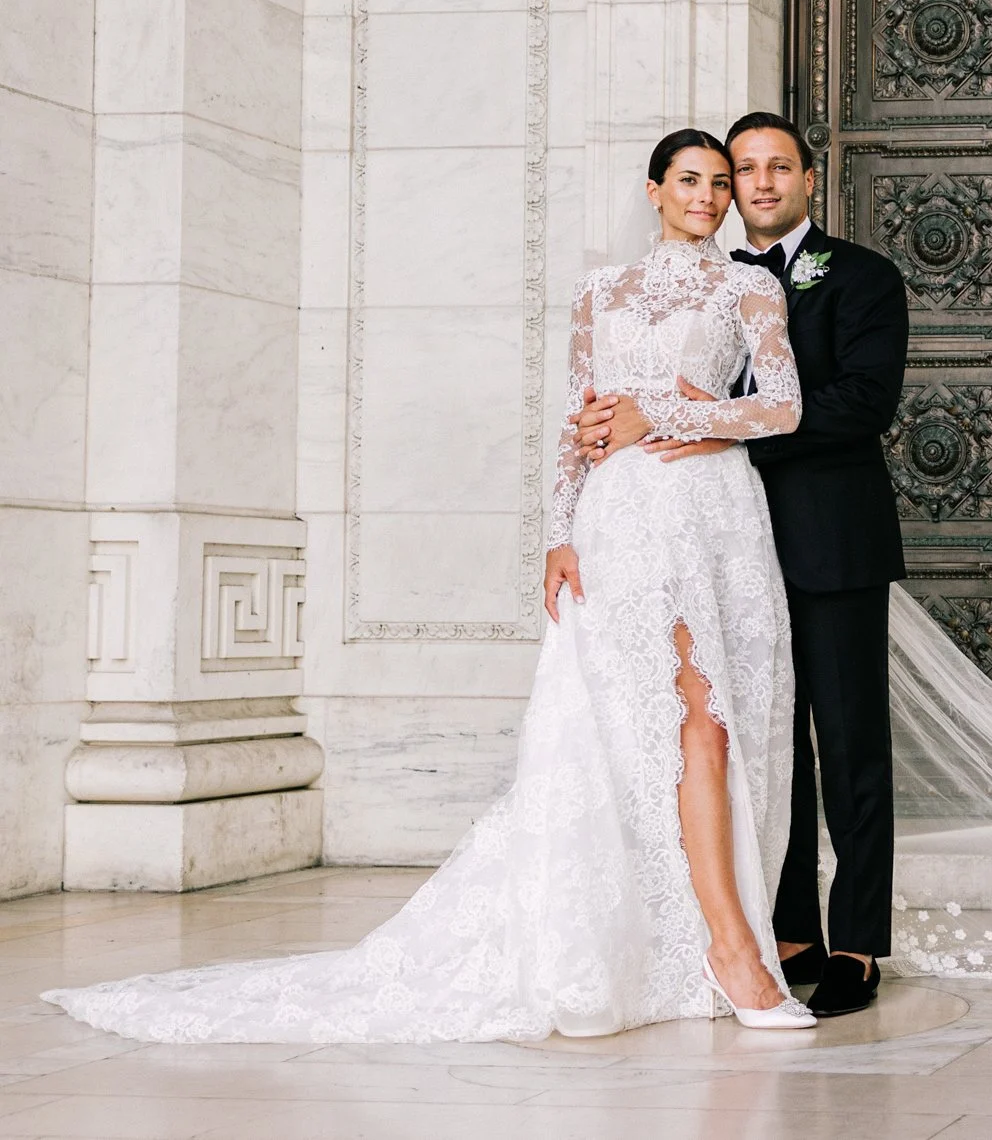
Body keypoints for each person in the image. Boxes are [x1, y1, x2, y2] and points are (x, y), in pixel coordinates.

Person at [44, 131, 818, 1042]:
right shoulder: (597, 293)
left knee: (711, 721)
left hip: (710, 512)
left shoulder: (748, 286)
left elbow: (782, 405)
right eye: (690, 181)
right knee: (631, 728)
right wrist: (560, 536)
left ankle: (727, 947)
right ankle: (690, 944)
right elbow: (578, 426)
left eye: (721, 184)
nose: (708, 196)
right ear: (653, 190)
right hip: (619, 520)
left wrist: (671, 411)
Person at [580, 111, 908, 1019]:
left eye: (775, 168)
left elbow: (858, 403)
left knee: (847, 746)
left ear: (808, 178)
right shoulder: (702, 281)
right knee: (760, 734)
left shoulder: (865, 277)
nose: (756, 185)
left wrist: (707, 430)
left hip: (828, 538)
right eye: (741, 170)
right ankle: (788, 927)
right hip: (716, 541)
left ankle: (856, 942)